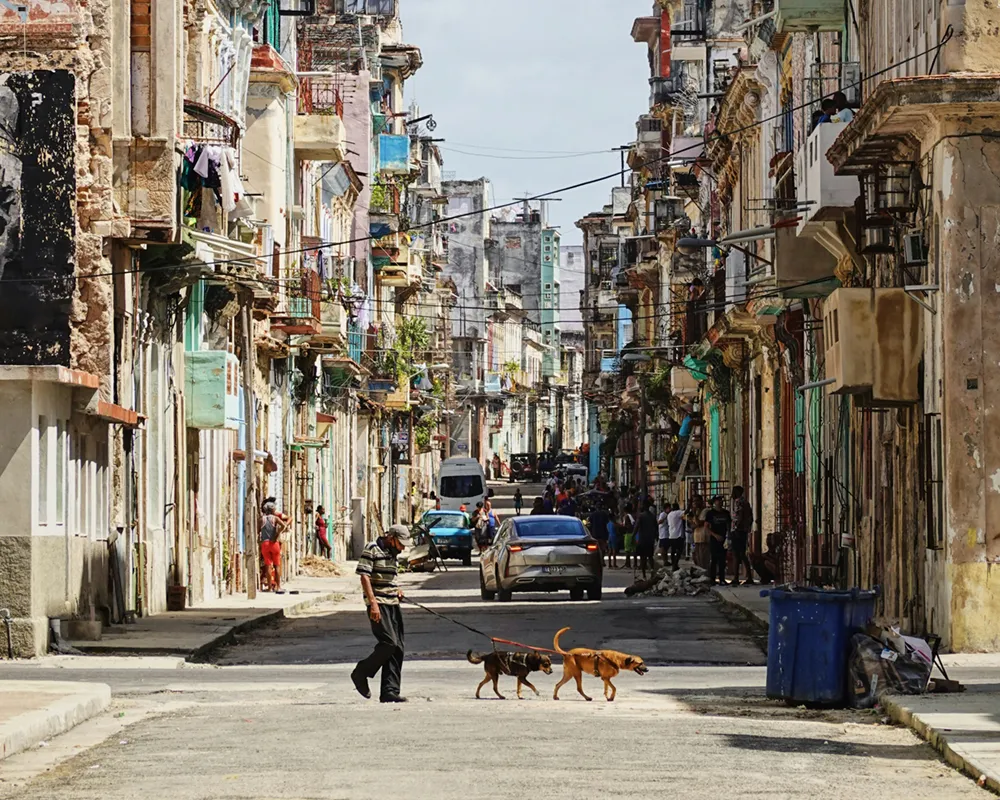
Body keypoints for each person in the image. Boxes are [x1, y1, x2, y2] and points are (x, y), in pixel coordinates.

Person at [351, 524, 411, 703]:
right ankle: (361, 672)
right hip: (379, 604)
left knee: (398, 647)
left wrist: (398, 590)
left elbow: (391, 577)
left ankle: (389, 691)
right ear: (391, 538)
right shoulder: (372, 549)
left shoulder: (393, 555)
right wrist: (373, 603)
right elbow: (364, 576)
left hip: (393, 603)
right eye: (400, 543)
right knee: (388, 643)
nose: (402, 548)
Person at [259, 501, 288, 592]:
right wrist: (278, 533)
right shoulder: (275, 518)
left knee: (268, 565)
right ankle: (278, 586)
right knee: (277, 565)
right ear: (272, 510)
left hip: (265, 543)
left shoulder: (261, 519)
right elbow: (284, 526)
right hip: (274, 543)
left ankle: (269, 588)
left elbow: (258, 530)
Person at [730, 485, 755, 585]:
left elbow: (739, 516)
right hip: (743, 531)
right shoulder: (746, 502)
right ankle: (749, 576)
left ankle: (736, 578)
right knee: (742, 554)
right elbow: (750, 518)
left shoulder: (738, 502)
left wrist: (736, 528)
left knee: (736, 554)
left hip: (738, 531)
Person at [704, 495, 731, 586]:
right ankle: (712, 579)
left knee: (722, 560)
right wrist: (715, 535)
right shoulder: (710, 513)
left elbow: (729, 526)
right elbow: (706, 527)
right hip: (714, 539)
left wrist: (728, 537)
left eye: (721, 500)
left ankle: (722, 579)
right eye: (718, 500)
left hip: (724, 539)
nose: (720, 502)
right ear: (714, 502)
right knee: (714, 559)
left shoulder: (726, 513)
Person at [634, 501, 659, 579]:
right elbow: (656, 527)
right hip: (650, 539)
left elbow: (636, 527)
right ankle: (652, 571)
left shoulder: (641, 516)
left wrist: (633, 536)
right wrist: (656, 537)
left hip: (642, 540)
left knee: (643, 558)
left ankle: (644, 574)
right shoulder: (652, 516)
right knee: (650, 557)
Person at [666, 503, 686, 572]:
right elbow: (686, 512)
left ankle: (673, 565)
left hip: (671, 535)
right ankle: (675, 564)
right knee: (679, 550)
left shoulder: (669, 514)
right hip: (678, 535)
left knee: (673, 551)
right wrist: (689, 505)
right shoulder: (678, 513)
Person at [621, 503, 637, 569]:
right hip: (633, 534)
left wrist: (623, 527)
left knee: (627, 550)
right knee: (634, 550)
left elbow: (627, 525)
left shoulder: (627, 516)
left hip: (628, 534)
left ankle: (628, 564)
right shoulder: (633, 515)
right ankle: (635, 564)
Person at [657, 502, 671, 568]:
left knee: (666, 548)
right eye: (669, 508)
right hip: (663, 534)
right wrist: (665, 518)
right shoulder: (663, 514)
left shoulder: (668, 514)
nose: (670, 509)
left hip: (667, 534)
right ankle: (664, 561)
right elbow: (659, 522)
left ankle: (666, 560)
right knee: (663, 548)